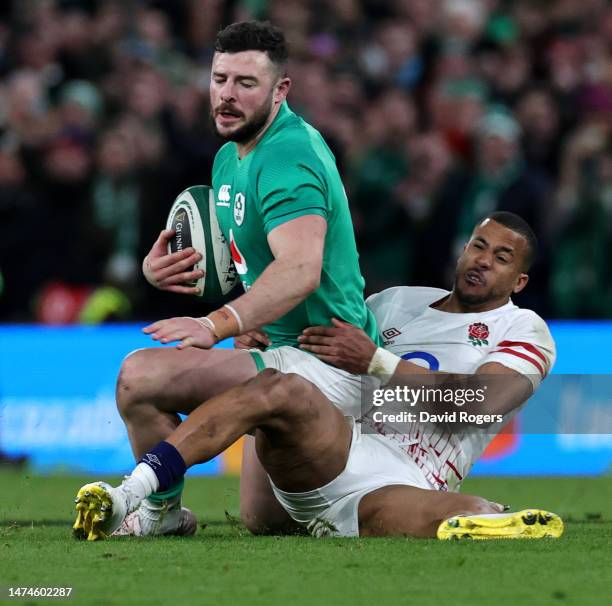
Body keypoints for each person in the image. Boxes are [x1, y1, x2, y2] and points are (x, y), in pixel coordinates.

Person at [73, 212, 563, 540]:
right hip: (332, 446)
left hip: (409, 478)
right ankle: (141, 494)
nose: (483, 260)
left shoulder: (523, 328)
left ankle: (491, 518)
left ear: (519, 281)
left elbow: (479, 404)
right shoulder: (395, 302)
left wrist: (377, 361)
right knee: (278, 385)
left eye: (501, 257)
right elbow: (318, 359)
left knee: (457, 516)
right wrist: (267, 341)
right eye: (479, 245)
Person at [102, 20, 379, 537]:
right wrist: (161, 270)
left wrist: (218, 324)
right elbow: (248, 266)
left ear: (281, 90)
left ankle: (158, 514)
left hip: (325, 362)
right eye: (219, 78)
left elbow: (299, 270)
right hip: (279, 350)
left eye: (245, 84)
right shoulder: (230, 157)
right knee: (264, 518)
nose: (226, 96)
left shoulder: (286, 156)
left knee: (139, 377)